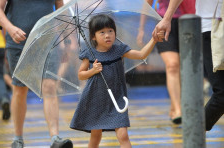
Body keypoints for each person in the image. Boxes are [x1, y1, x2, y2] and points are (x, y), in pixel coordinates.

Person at [70, 14, 164, 148]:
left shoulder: (119, 50)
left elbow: (141, 54)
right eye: (102, 32)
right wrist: (93, 70)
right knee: (95, 136)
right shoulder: (89, 54)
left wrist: (153, 40)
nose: (107, 35)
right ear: (93, 36)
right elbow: (81, 75)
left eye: (110, 31)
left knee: (123, 135)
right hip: (95, 99)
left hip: (117, 98)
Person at [0, 0, 73, 148]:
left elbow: (61, 9)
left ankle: (55, 138)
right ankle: (18, 138)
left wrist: (66, 41)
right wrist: (10, 28)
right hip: (18, 42)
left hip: (47, 40)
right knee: (20, 89)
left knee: (49, 86)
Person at [153, 0, 224, 131]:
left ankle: (190, 126)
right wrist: (166, 19)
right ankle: (186, 122)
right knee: (173, 65)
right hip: (212, 27)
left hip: (202, 24)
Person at [138, 0, 195, 124]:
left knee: (185, 69)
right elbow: (147, 4)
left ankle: (175, 106)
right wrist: (141, 29)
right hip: (163, 22)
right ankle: (178, 110)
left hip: (190, 21)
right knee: (172, 65)